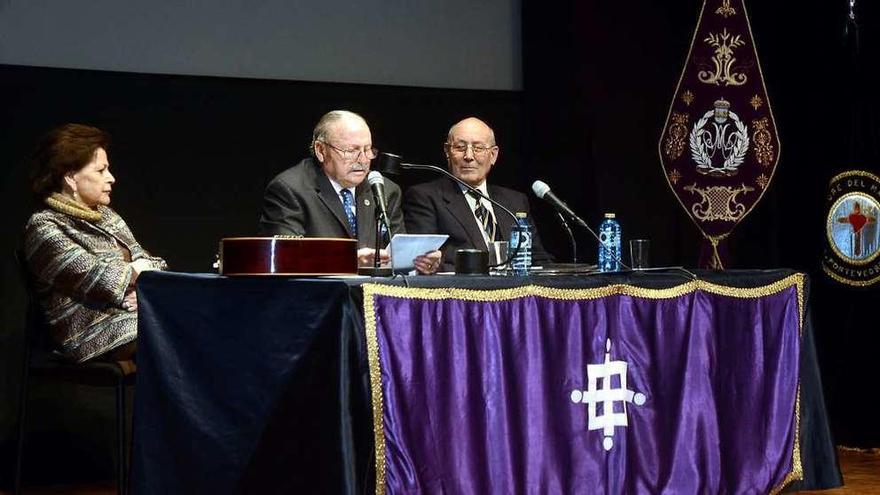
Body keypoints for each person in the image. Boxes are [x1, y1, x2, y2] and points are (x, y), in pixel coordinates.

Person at [23, 124, 167, 363]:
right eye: (101, 170)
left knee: (194, 322)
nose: (111, 178)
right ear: (70, 177)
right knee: (175, 333)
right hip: (92, 331)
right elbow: (96, 277)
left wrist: (142, 283)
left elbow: (154, 262)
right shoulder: (44, 227)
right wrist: (138, 278)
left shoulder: (107, 216)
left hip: (134, 318)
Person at [260, 110, 441, 273]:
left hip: (374, 300)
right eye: (351, 151)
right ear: (321, 150)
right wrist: (349, 261)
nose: (363, 160)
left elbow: (397, 254)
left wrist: (418, 262)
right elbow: (285, 257)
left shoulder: (384, 190)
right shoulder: (290, 189)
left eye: (368, 150)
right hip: (318, 302)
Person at [403, 117, 552, 271]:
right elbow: (425, 259)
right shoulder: (425, 197)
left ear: (493, 155)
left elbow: (537, 258)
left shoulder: (515, 201)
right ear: (447, 152)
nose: (468, 156)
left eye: (478, 148)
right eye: (460, 147)